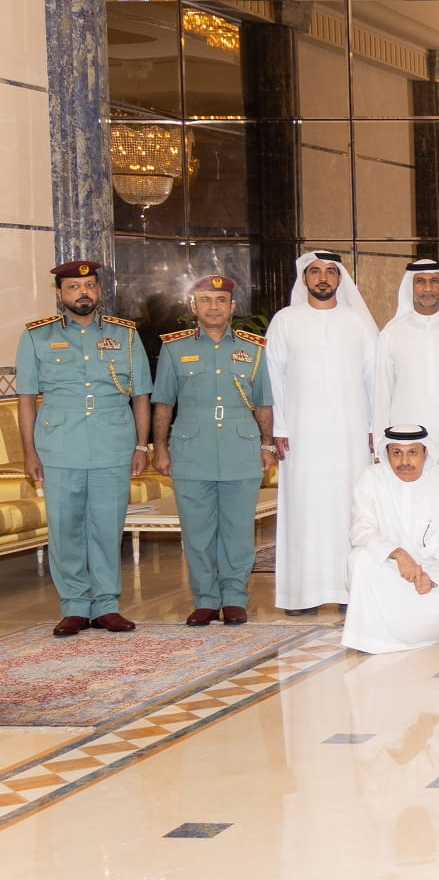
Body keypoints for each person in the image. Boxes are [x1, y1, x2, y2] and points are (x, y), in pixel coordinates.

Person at [14, 260, 153, 636]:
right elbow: (26, 398)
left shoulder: (125, 336)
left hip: (113, 443)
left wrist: (141, 445)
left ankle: (106, 604)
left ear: (99, 291)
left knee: (107, 526)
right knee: (65, 527)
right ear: (59, 294)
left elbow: (141, 395)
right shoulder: (35, 337)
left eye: (90, 285)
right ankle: (75, 605)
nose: (83, 293)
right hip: (59, 446)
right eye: (74, 288)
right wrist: (29, 451)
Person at [152, 274, 274, 627]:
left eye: (221, 300)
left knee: (238, 530)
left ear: (232, 307)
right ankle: (205, 598)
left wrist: (267, 444)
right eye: (205, 300)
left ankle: (234, 597)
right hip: (192, 450)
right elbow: (163, 404)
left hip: (240, 448)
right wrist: (159, 448)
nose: (214, 307)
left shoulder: (254, 349)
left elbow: (263, 403)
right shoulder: (175, 348)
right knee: (198, 530)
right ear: (194, 306)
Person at [265, 250, 377, 616]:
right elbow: (274, 379)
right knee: (304, 507)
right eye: (315, 272)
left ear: (340, 279)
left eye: (330, 271)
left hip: (351, 432)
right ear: (305, 279)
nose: (323, 278)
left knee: (350, 506)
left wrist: (375, 426)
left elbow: (374, 380)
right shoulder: (285, 320)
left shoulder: (357, 322)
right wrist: (279, 426)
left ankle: (350, 591)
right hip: (300, 433)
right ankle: (302, 593)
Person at [340, 425, 439, 654]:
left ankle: (405, 631)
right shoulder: (371, 479)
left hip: (430, 582)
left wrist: (431, 578)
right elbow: (360, 529)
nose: (404, 461)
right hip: (390, 572)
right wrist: (398, 554)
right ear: (386, 454)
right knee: (359, 558)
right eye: (396, 453)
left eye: (412, 453)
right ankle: (380, 636)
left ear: (425, 453)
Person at [374, 257, 439, 475]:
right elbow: (382, 392)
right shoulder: (391, 333)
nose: (428, 288)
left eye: (434, 281)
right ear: (410, 287)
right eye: (420, 281)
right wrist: (380, 443)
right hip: (406, 435)